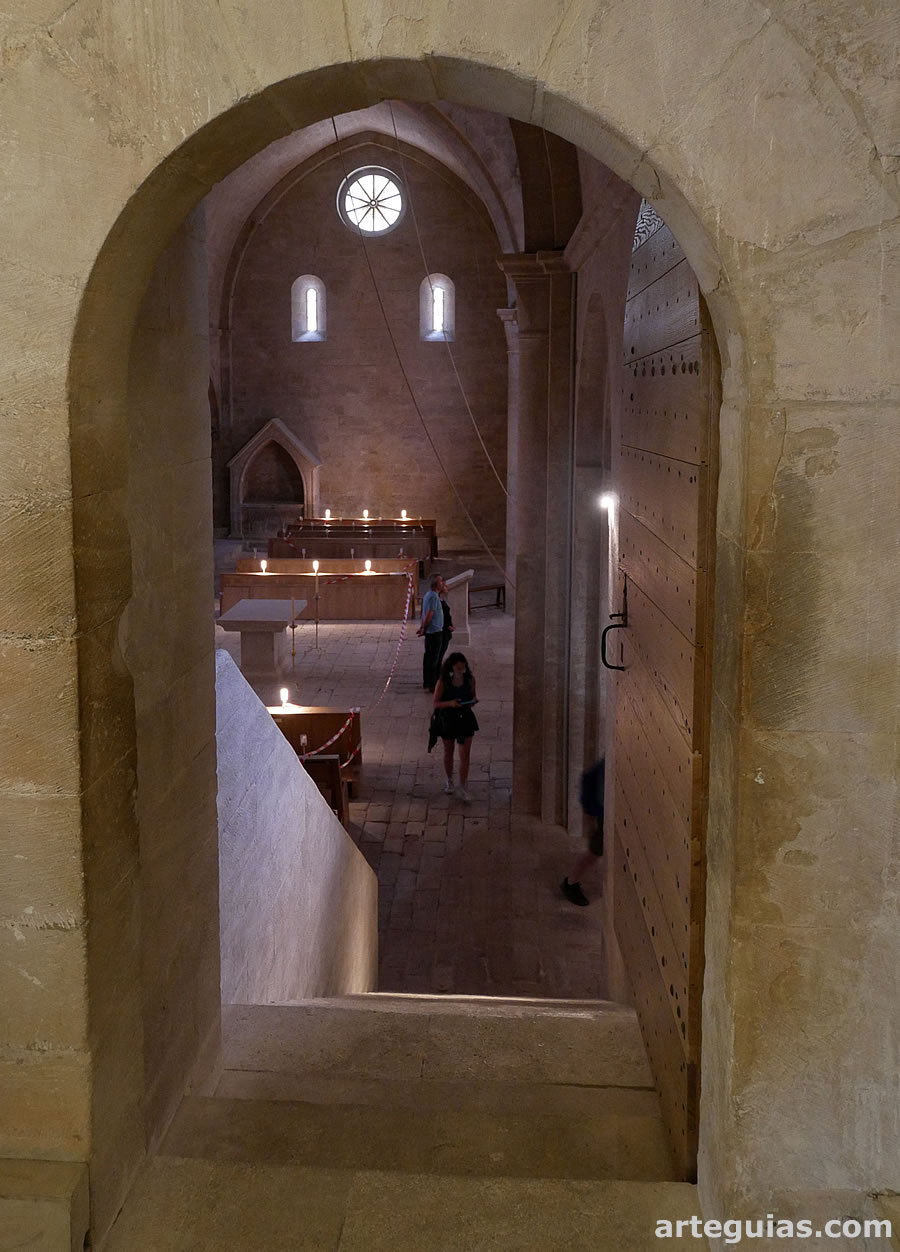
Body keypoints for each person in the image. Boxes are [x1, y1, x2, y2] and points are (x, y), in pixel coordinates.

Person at [428, 652, 479, 801]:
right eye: (458, 668)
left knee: (465, 755)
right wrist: (451, 703)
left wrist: (473, 701)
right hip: (448, 719)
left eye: (463, 668)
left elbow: (473, 695)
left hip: (465, 718)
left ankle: (463, 784)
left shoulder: (470, 680)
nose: (460, 671)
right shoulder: (443, 682)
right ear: (451, 668)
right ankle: (449, 780)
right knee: (448, 751)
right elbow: (436, 703)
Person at [561, 758, 605, 906]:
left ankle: (571, 883)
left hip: (605, 816)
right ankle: (571, 884)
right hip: (604, 818)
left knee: (593, 853)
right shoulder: (606, 767)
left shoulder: (606, 764)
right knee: (593, 854)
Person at [416, 574, 444, 691]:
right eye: (441, 581)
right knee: (434, 658)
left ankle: (427, 682)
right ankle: (432, 684)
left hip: (430, 631)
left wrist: (423, 627)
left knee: (429, 657)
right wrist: (424, 627)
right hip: (434, 631)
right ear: (436, 584)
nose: (442, 583)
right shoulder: (433, 597)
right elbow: (429, 614)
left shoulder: (428, 595)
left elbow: (423, 612)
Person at [436, 577, 454, 672]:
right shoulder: (438, 601)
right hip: (442, 631)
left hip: (446, 630)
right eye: (445, 586)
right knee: (439, 654)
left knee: (441, 653)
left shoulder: (442, 600)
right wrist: (448, 625)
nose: (447, 587)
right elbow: (441, 617)